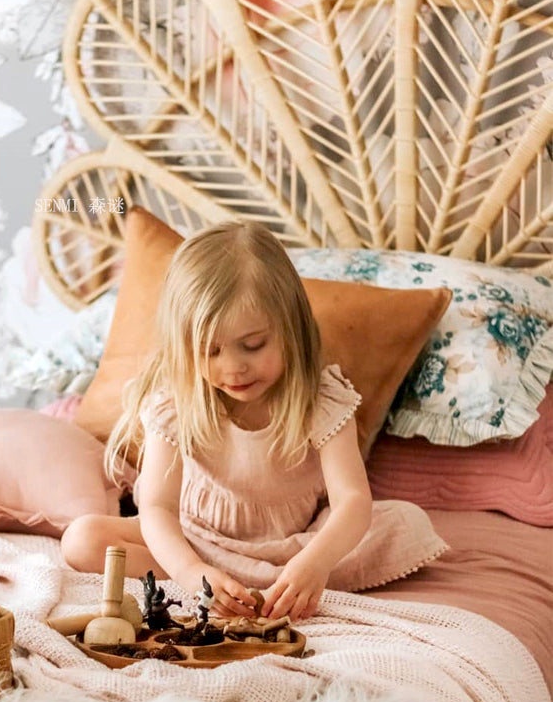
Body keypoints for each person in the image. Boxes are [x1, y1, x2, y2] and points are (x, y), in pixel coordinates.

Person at [61, 220, 445, 622]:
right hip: (194, 543)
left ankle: (281, 585)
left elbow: (352, 500)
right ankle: (223, 587)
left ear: (290, 328)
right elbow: (157, 508)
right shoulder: (175, 402)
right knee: (82, 539)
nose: (234, 368)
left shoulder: (322, 399)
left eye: (254, 345)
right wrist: (192, 574)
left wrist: (314, 563)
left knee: (407, 524)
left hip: (293, 548)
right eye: (211, 351)